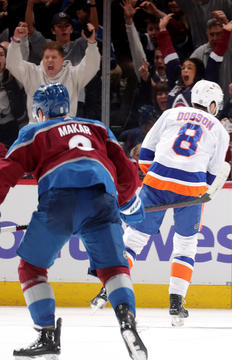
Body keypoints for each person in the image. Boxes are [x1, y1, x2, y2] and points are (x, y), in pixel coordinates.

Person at [0, 83, 147, 359]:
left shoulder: (34, 131)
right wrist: (128, 203)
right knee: (114, 269)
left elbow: (6, 171)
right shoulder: (97, 128)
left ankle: (46, 336)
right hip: (102, 199)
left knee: (31, 268)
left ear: (40, 111)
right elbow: (125, 168)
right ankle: (127, 322)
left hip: (60, 201)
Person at [91, 80, 230, 327]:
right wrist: (202, 190)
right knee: (186, 245)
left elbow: (146, 151)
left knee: (133, 239)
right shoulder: (218, 129)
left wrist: (150, 177)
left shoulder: (170, 113)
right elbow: (213, 172)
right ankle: (176, 303)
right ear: (211, 104)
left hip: (157, 181)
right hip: (191, 189)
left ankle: (107, 289)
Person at [7, 22, 100, 123]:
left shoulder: (73, 75)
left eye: (54, 57)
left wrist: (91, 43)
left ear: (62, 60)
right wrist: (16, 40)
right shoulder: (32, 72)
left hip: (64, 130)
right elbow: (13, 64)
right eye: (47, 57)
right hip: (37, 130)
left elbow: (92, 65)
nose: (50, 60)